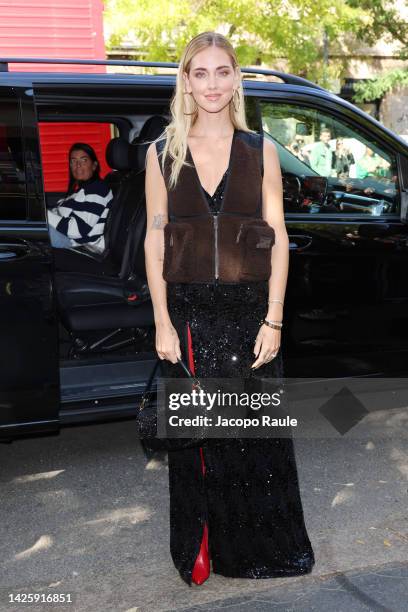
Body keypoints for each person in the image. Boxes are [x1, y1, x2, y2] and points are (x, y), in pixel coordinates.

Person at [144, 31, 315, 586]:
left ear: (236, 79)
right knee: (201, 439)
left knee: (254, 438)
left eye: (222, 72)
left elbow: (279, 235)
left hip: (249, 315)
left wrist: (275, 316)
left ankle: (258, 551)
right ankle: (203, 551)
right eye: (201, 73)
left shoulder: (259, 149)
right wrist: (163, 321)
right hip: (192, 318)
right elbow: (155, 239)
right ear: (186, 82)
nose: (212, 84)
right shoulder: (162, 151)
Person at [47, 143, 113, 252]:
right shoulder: (82, 190)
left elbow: (77, 230)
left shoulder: (97, 189)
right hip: (68, 238)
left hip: (81, 246)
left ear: (94, 165)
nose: (77, 165)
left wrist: (45, 215)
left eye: (84, 160)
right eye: (73, 161)